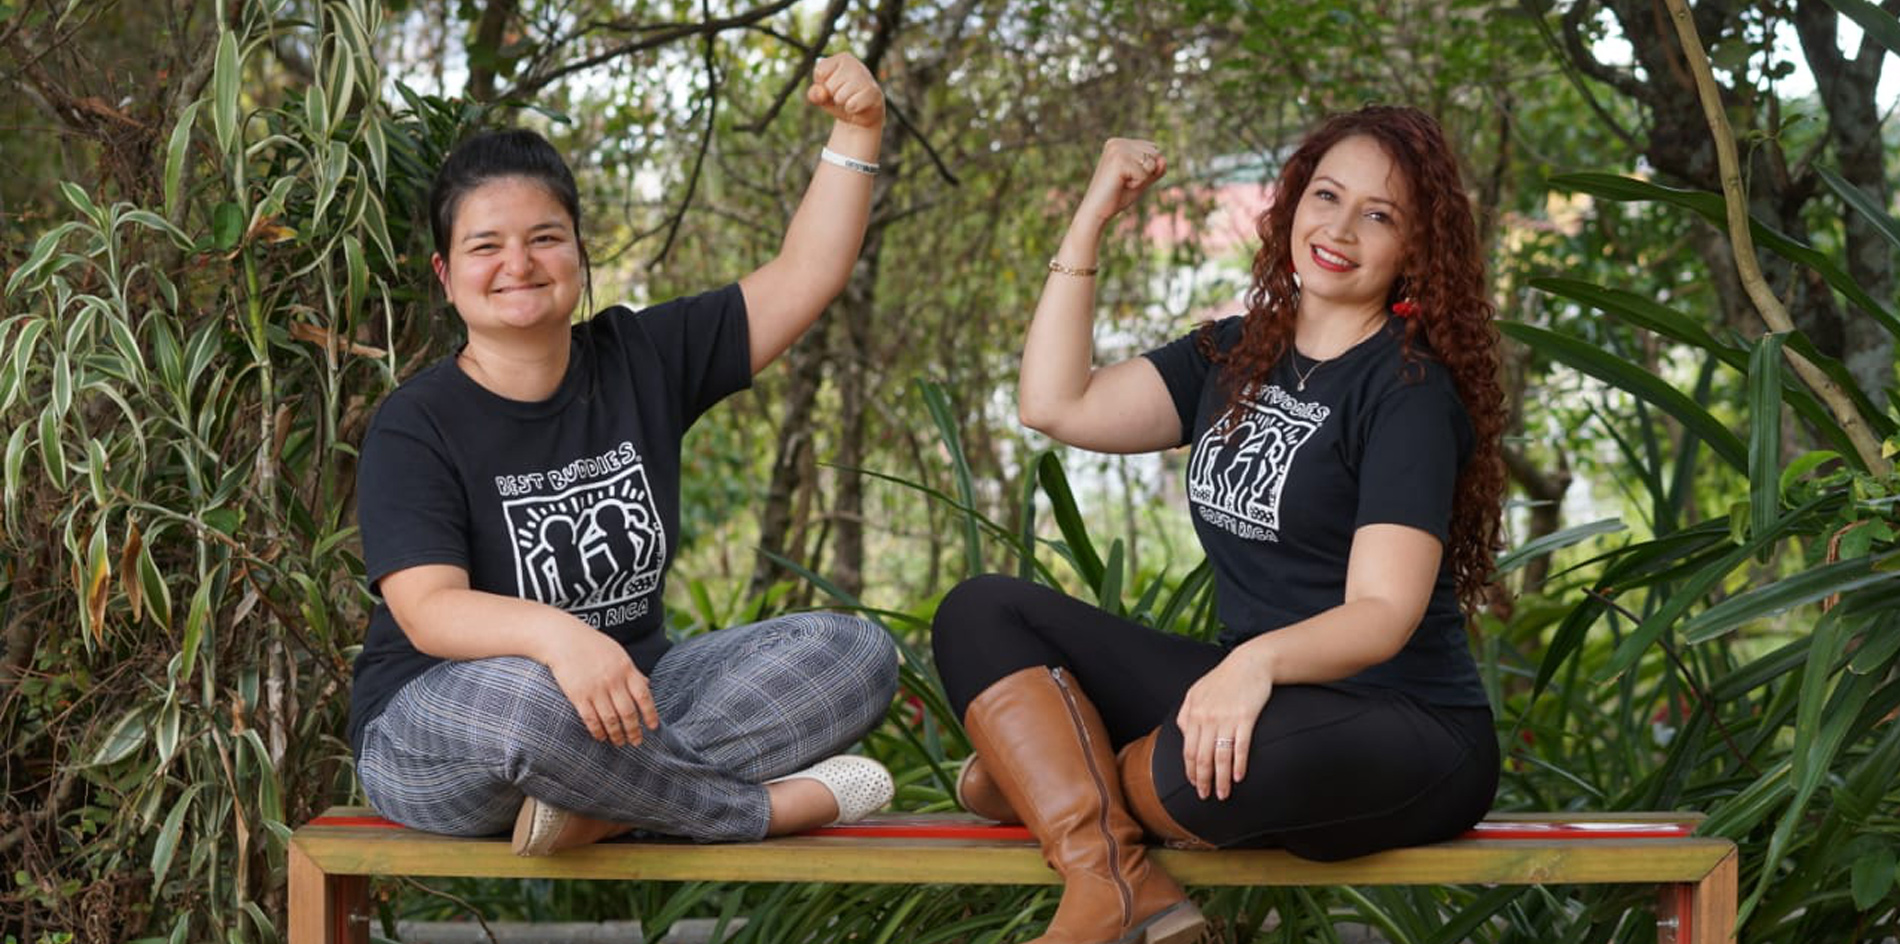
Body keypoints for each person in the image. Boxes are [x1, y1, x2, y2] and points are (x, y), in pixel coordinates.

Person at [931, 106, 1506, 943]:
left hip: (1404, 726)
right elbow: (1056, 402)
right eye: (1326, 196)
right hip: (1249, 694)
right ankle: (1115, 882)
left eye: (1378, 215)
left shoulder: (1406, 392)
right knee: (982, 610)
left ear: (1415, 247)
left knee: (1196, 771)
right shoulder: (1235, 352)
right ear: (1293, 202)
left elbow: (1383, 613)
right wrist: (1093, 216)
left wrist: (1255, 663)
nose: (1339, 229)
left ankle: (1051, 781)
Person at [349, 53, 900, 856]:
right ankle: (748, 811)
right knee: (533, 701)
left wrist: (859, 129)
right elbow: (429, 609)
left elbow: (805, 275)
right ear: (445, 274)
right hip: (444, 729)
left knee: (854, 654)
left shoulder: (640, 357)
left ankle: (603, 804)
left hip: (633, 707)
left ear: (579, 252)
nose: (518, 264)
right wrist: (561, 638)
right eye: (485, 246)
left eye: (545, 238)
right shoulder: (417, 423)